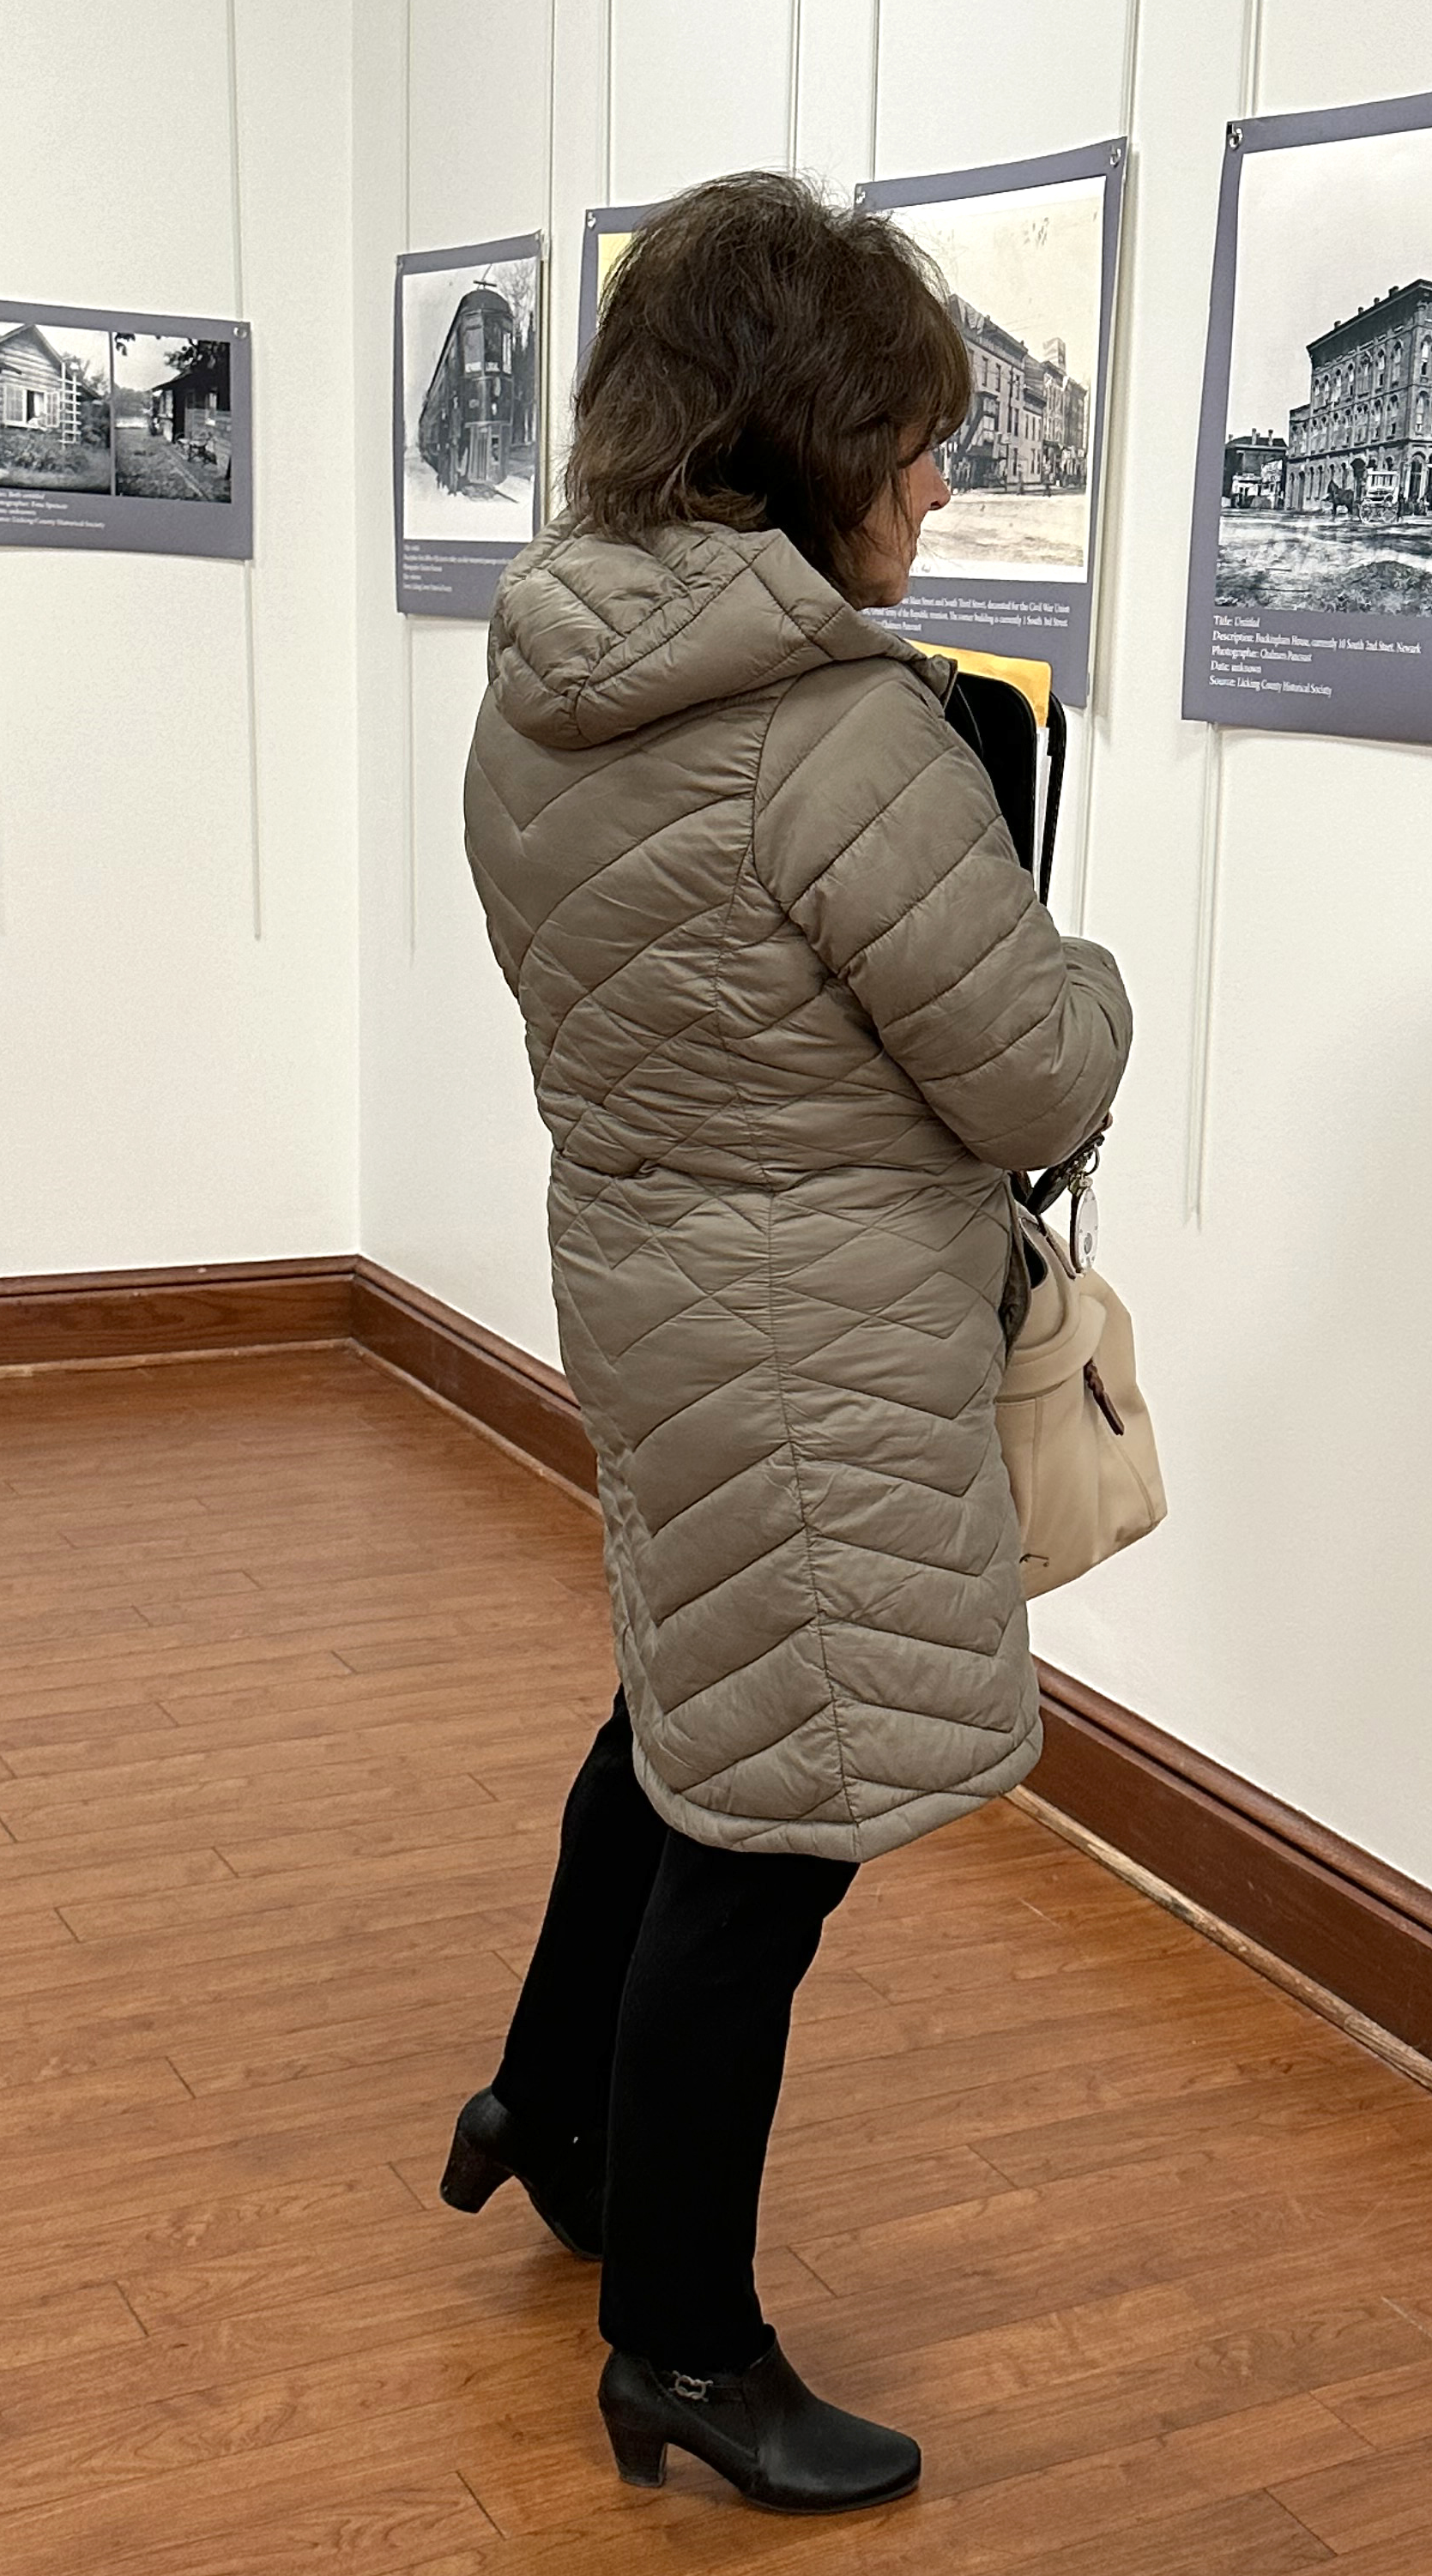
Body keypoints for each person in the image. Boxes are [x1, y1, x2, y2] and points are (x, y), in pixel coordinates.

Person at [442, 172, 1132, 2514]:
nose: (944, 479)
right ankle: (687, 2349)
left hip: (647, 1290)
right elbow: (1038, 1071)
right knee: (773, 1840)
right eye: (915, 436)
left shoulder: (544, 683)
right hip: (816, 1331)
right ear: (798, 444)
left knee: (685, 1703)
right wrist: (1090, 962)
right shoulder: (840, 737)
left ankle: (546, 2107)